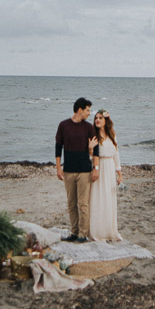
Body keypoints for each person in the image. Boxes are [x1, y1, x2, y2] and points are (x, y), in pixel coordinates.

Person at [55, 97, 97, 242]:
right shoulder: (63, 125)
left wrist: (95, 168)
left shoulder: (88, 128)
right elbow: (58, 147)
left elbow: (96, 149)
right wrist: (58, 167)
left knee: (83, 204)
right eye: (87, 110)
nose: (89, 113)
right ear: (80, 110)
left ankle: (83, 234)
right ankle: (74, 232)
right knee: (71, 203)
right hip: (68, 170)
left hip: (85, 171)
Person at [88, 109, 123, 242]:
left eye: (100, 118)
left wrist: (119, 173)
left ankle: (109, 231)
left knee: (109, 200)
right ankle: (97, 232)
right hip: (99, 167)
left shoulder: (112, 135)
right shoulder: (93, 136)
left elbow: (116, 155)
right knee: (97, 199)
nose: (97, 120)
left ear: (105, 121)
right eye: (96, 118)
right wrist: (90, 149)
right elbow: (89, 157)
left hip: (110, 169)